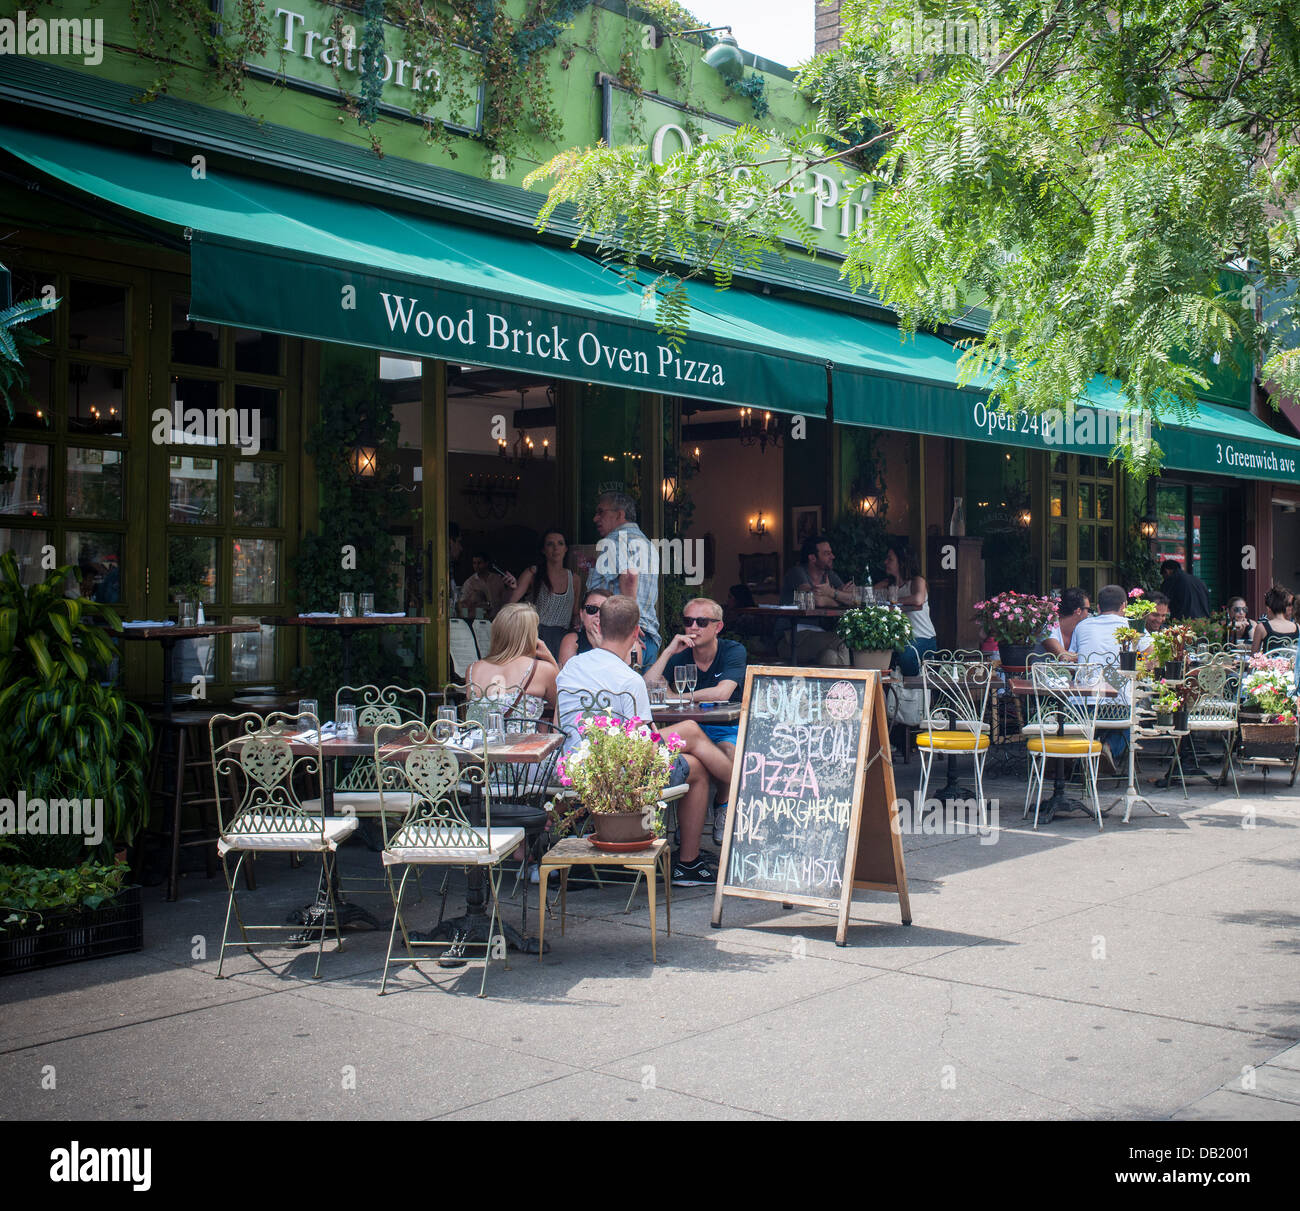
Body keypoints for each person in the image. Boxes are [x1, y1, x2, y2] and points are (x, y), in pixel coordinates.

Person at [556, 595, 733, 885]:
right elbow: (646, 746)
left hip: (575, 768)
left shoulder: (571, 668)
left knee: (689, 741)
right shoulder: (628, 680)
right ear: (637, 631)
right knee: (695, 762)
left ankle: (734, 791)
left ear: (600, 625)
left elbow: (560, 725)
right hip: (617, 776)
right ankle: (690, 861)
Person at [645, 597, 746, 845]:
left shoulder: (733, 650)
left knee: (729, 752)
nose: (693, 628)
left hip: (725, 727)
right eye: (688, 621)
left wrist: (675, 697)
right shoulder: (679, 655)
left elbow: (722, 692)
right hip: (692, 729)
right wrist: (668, 651)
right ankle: (691, 819)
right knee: (692, 762)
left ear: (717, 627)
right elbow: (646, 687)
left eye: (701, 622)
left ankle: (722, 804)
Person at [1069, 583, 1153, 771]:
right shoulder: (1133, 625)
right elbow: (1152, 655)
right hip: (1119, 707)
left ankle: (1090, 750)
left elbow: (1072, 658)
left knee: (1100, 715)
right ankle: (1107, 747)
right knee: (1137, 711)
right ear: (1124, 606)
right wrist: (1135, 664)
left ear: (1098, 607)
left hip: (1084, 706)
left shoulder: (1083, 626)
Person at [587, 491, 661, 666]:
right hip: (647, 637)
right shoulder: (647, 544)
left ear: (619, 514)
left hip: (622, 639)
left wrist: (629, 627)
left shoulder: (615, 540)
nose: (595, 518)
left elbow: (630, 576)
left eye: (601, 512)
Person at [465, 602, 558, 724]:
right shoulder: (542, 669)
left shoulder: (473, 669)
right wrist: (551, 660)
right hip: (523, 742)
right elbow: (564, 703)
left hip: (480, 742)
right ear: (531, 636)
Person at [779, 535, 855, 665]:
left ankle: (838, 684)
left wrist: (831, 593)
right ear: (812, 558)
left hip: (818, 635)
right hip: (791, 637)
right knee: (843, 640)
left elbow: (854, 599)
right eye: (827, 553)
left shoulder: (829, 575)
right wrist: (839, 598)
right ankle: (853, 683)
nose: (832, 556)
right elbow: (818, 600)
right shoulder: (797, 573)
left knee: (830, 656)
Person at [509, 529, 581, 659]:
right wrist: (512, 587)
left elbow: (575, 614)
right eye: (550, 544)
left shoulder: (574, 579)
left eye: (560, 543)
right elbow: (510, 603)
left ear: (566, 549)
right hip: (536, 638)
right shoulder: (533, 573)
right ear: (543, 550)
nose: (555, 548)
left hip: (562, 639)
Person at [875, 541, 936, 675]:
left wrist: (891, 602)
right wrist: (834, 593)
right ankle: (888, 690)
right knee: (874, 650)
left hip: (923, 638)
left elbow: (918, 599)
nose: (886, 562)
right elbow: (867, 596)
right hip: (900, 639)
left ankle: (913, 687)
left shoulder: (917, 581)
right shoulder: (887, 584)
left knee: (906, 654)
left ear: (902, 562)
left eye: (890, 559)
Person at [459, 551, 514, 619]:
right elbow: (463, 604)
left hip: (499, 619)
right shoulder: (469, 582)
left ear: (486, 563)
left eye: (479, 563)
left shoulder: (497, 579)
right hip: (479, 621)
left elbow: (506, 599)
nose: (476, 566)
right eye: (474, 563)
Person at [1041, 587, 1089, 661]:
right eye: (1088, 610)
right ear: (1078, 611)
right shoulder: (1049, 627)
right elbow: (1064, 657)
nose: (1089, 614)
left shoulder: (1080, 629)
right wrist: (1087, 656)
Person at [1252, 587, 1299, 653]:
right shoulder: (1297, 627)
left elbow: (1254, 656)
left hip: (1270, 663)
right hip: (1292, 663)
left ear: (1268, 608)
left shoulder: (1262, 627)